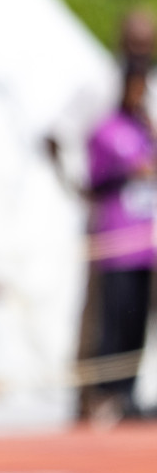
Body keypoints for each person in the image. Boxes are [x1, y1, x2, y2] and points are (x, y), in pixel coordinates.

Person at [86, 59, 155, 421]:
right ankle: (103, 395)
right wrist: (126, 172)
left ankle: (127, 394)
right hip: (116, 241)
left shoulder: (143, 129)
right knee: (112, 323)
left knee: (136, 325)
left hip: (144, 245)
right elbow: (93, 183)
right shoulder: (106, 131)